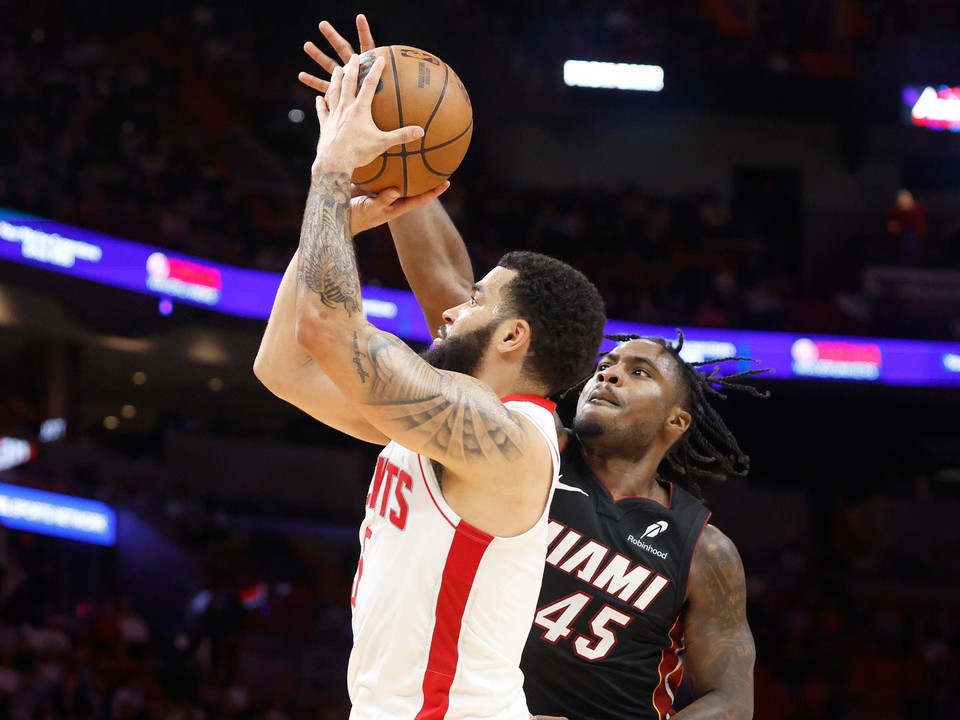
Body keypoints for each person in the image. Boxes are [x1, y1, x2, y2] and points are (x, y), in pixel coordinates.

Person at [297, 16, 762, 720]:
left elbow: (730, 699)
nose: (608, 373)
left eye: (639, 372)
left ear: (677, 420)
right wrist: (398, 151)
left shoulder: (702, 548)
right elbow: (461, 305)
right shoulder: (523, 446)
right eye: (608, 361)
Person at [254, 44, 607, 720]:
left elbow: (325, 328)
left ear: (512, 338)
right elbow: (283, 368)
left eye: (477, 300)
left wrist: (332, 169)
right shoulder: (441, 424)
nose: (452, 306)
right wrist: (347, 217)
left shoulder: (505, 442)